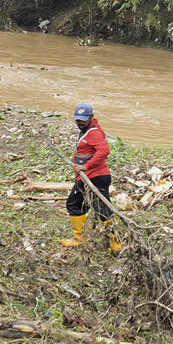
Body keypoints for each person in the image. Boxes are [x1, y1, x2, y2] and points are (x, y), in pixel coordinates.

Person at [63, 101, 122, 252]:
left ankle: (83, 239)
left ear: (91, 117)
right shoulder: (89, 130)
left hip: (95, 177)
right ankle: (114, 242)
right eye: (78, 120)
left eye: (83, 120)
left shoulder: (94, 132)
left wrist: (86, 166)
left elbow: (104, 151)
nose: (80, 123)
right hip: (91, 176)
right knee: (99, 208)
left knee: (79, 205)